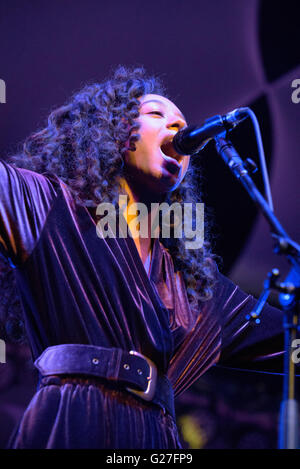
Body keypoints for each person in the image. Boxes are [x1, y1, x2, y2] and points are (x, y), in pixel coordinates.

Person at [0, 66, 284, 449]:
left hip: (157, 439)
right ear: (113, 132)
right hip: (71, 421)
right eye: (156, 115)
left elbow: (287, 334)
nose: (176, 128)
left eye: (181, 122)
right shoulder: (49, 206)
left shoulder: (196, 290)